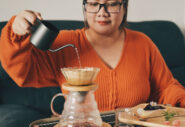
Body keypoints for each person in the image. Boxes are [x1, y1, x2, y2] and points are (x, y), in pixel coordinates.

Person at [0, 0, 184, 112]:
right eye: (94, 4)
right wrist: (15, 32)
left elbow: (165, 88)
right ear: (85, 8)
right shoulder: (65, 42)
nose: (102, 12)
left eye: (112, 4)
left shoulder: (143, 43)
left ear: (124, 7)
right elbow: (23, 72)